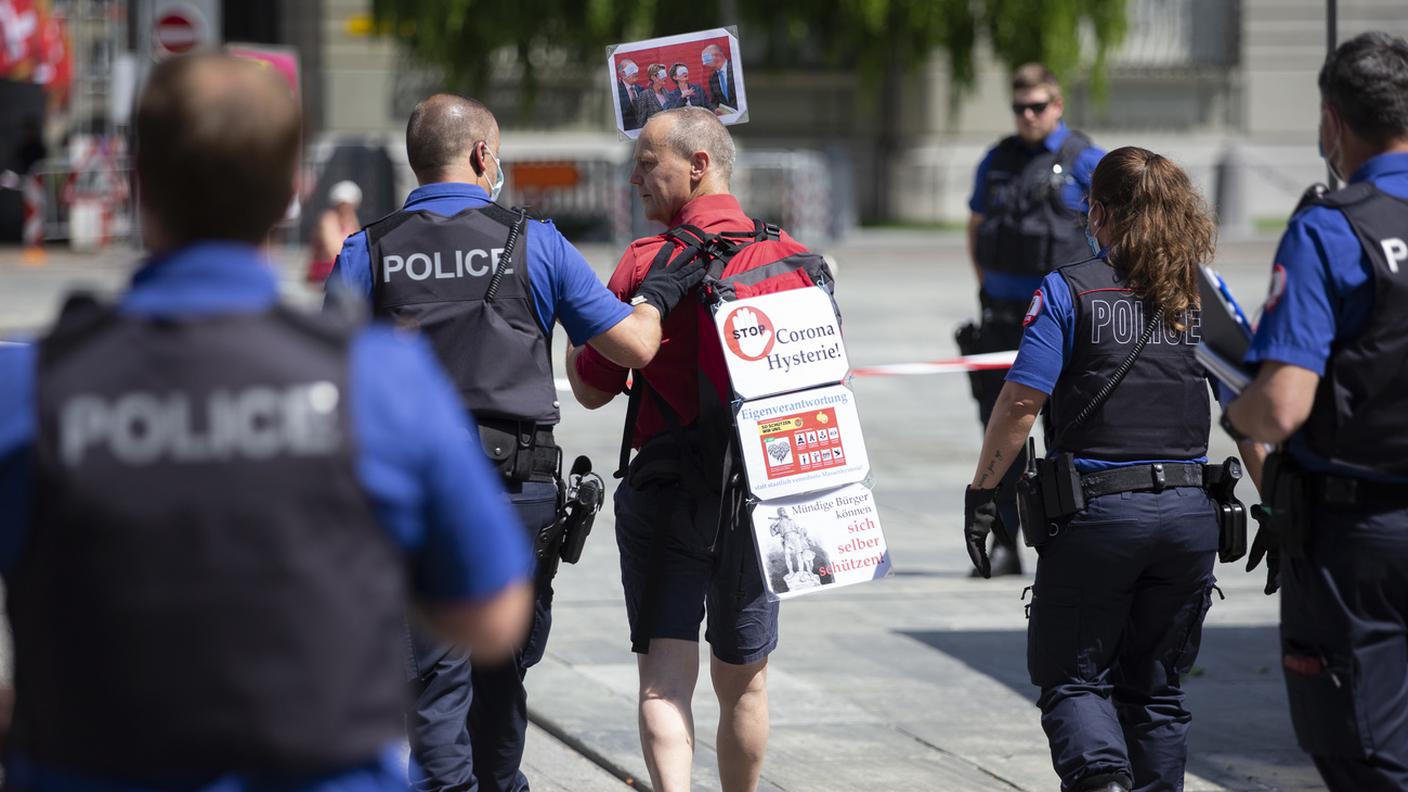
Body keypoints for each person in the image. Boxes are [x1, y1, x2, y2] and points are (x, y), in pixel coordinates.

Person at [0, 52, 532, 792]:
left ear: (138, 184)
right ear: (293, 191)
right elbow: (494, 615)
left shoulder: (32, 385)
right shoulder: (378, 381)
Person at [327, 93, 703, 792]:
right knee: (500, 670)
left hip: (411, 497)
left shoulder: (367, 250)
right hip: (515, 495)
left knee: (432, 679)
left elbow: (331, 390)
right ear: (482, 155)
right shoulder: (534, 242)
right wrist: (660, 289)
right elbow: (637, 347)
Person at [962, 146, 1236, 792]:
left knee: (1075, 677)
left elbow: (1022, 400)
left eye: (1091, 208)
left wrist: (983, 492)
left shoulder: (1067, 289)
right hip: (1191, 519)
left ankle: (1102, 781)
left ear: (1106, 213)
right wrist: (1277, 504)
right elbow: (1248, 406)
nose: (1088, 220)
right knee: (1158, 694)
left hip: (1098, 516)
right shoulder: (1203, 293)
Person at [565, 107, 812, 792]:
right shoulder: (788, 255)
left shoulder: (647, 262)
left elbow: (591, 385)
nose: (636, 176)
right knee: (747, 687)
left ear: (698, 165)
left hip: (670, 489)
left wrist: (575, 334)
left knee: (662, 687)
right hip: (762, 498)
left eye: (649, 162)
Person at [1225, 31, 1408, 791]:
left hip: (1360, 537)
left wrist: (1239, 408)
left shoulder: (1332, 226)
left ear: (1333, 123)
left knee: (1363, 747)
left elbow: (1283, 405)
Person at [961, 62, 1106, 577]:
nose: (1028, 115)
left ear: (1058, 105)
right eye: (1020, 106)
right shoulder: (997, 160)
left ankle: (1070, 538)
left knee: (1067, 431)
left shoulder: (1086, 159)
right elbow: (977, 226)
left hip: (1066, 322)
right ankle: (1003, 544)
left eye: (1038, 106)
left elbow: (1123, 224)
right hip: (1003, 319)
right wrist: (988, 288)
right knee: (999, 429)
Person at [308, 180, 361, 283]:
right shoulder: (328, 219)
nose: (347, 208)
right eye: (344, 204)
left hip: (344, 272)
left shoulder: (351, 220)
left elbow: (358, 246)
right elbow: (333, 251)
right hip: (325, 274)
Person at [633, 63, 673, 128]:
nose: (665, 77)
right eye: (662, 74)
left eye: (665, 74)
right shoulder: (645, 95)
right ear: (653, 77)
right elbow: (641, 120)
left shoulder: (666, 92)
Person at [701, 44, 736, 115]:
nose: (704, 64)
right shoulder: (712, 79)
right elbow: (714, 101)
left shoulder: (736, 68)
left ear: (718, 56)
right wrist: (715, 109)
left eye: (706, 58)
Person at [616, 58, 643, 131]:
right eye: (631, 69)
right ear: (622, 74)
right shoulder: (616, 92)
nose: (636, 72)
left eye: (635, 68)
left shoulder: (641, 89)